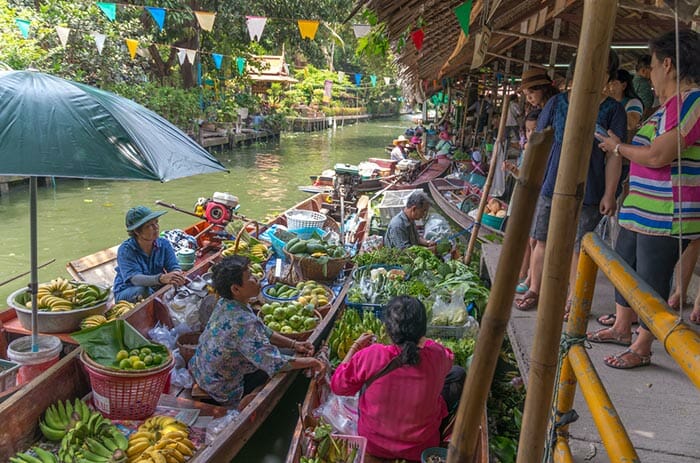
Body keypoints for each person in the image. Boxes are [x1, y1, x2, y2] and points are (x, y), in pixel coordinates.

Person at [588, 29, 700, 369]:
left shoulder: (693, 102)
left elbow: (657, 156)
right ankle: (624, 327)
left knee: (650, 281)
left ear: (667, 64)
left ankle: (643, 346)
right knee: (626, 268)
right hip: (642, 211)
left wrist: (617, 147)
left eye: (650, 65)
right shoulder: (665, 108)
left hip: (667, 213)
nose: (649, 74)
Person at [515, 50, 626, 312]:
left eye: (603, 72)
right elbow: (538, 142)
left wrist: (610, 193)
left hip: (590, 188)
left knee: (579, 248)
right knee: (541, 239)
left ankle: (573, 301)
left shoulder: (613, 110)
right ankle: (535, 289)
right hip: (551, 183)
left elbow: (614, 156)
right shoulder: (557, 104)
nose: (595, 76)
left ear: (609, 77)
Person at [330, 296, 465, 461]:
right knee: (458, 374)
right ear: (423, 331)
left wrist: (356, 346)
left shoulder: (371, 355)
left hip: (374, 444)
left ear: (387, 329)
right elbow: (449, 358)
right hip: (420, 447)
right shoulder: (436, 355)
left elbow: (338, 385)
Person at [189, 255, 325, 407]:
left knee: (284, 352)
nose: (257, 278)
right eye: (250, 277)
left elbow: (262, 329)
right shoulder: (243, 323)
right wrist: (312, 362)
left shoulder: (227, 302)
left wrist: (295, 344)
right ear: (236, 289)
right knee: (280, 366)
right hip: (222, 387)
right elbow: (275, 363)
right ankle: (251, 397)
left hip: (202, 370)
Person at [113, 206, 187, 302]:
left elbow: (173, 266)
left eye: (156, 222)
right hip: (128, 290)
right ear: (137, 231)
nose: (156, 227)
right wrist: (161, 278)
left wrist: (176, 274)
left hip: (155, 285)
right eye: (149, 226)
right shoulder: (126, 250)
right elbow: (135, 279)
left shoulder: (164, 244)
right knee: (144, 290)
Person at [607, 69, 644, 137]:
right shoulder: (609, 103)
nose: (609, 87)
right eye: (608, 83)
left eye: (613, 83)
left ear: (623, 85)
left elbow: (630, 125)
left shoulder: (634, 102)